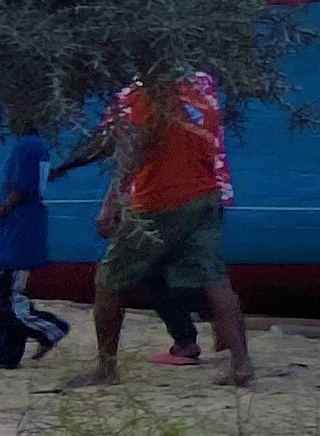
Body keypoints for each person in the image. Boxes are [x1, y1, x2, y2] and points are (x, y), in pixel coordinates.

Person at [75, 70, 252, 392]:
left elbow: (134, 150)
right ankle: (241, 363)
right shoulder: (200, 89)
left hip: (160, 200)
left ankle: (105, 367)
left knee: (110, 281)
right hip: (204, 196)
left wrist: (111, 202)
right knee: (215, 279)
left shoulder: (144, 96)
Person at [0, 106, 67, 370]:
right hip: (16, 228)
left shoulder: (27, 147)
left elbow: (21, 189)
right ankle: (3, 352)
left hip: (18, 229)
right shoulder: (32, 146)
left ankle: (50, 328)